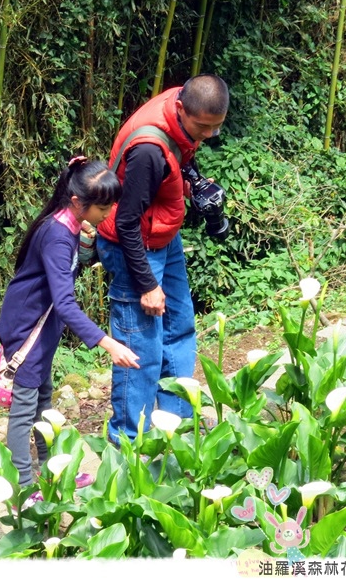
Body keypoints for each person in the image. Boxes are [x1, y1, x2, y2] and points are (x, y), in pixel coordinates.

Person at [96, 73, 229, 444]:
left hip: (163, 237)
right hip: (134, 247)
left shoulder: (181, 111)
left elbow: (181, 157)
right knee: (141, 348)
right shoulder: (149, 150)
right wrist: (147, 285)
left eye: (215, 128)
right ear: (183, 109)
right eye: (202, 127)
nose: (206, 136)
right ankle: (129, 443)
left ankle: (176, 427)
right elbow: (125, 223)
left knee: (180, 327)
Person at [0, 157, 141, 488]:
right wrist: (107, 342)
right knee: (23, 414)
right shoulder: (57, 234)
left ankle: (53, 472)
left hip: (41, 325)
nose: (108, 213)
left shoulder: (70, 225)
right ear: (78, 202)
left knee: (43, 400)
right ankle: (23, 490)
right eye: (103, 207)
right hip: (26, 329)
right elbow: (64, 302)